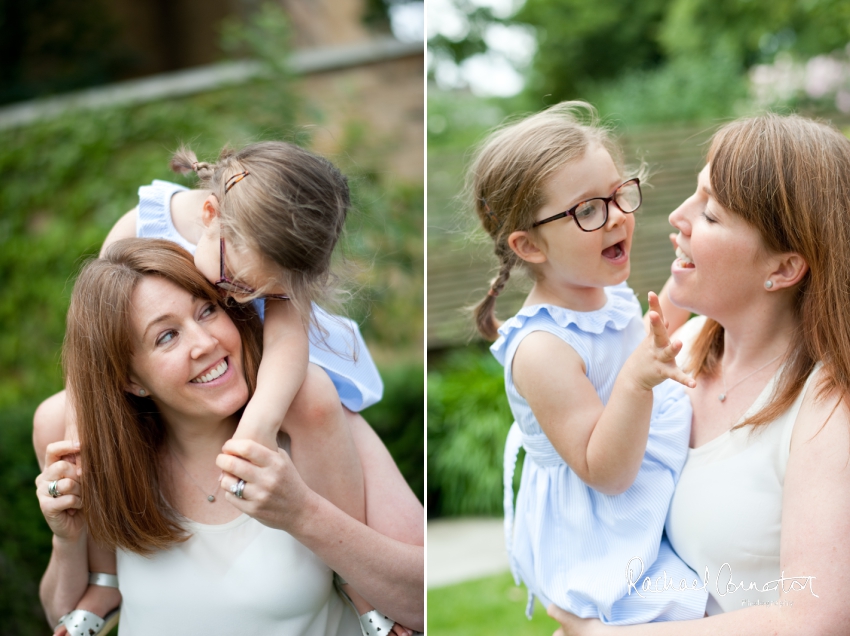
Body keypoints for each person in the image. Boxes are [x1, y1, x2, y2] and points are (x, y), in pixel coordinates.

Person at [33, 141, 418, 635]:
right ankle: (104, 573)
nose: (240, 296)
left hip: (268, 368)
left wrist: (256, 429)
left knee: (311, 398)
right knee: (53, 420)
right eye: (235, 283)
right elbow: (90, 336)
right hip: (174, 374)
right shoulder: (139, 226)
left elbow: (284, 344)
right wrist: (81, 440)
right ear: (210, 213)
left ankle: (360, 590)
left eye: (250, 294)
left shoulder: (272, 253)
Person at [548, 113, 850, 635]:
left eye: (710, 214)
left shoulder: (827, 410)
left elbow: (815, 621)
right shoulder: (677, 352)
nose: (677, 217)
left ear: (782, 268)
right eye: (694, 194)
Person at [469, 101, 706, 624]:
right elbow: (607, 472)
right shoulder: (543, 348)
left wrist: (697, 268)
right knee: (685, 610)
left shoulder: (603, 295)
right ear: (529, 245)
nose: (618, 215)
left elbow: (657, 321)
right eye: (588, 210)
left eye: (619, 193)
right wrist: (636, 383)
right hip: (598, 536)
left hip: (635, 506)